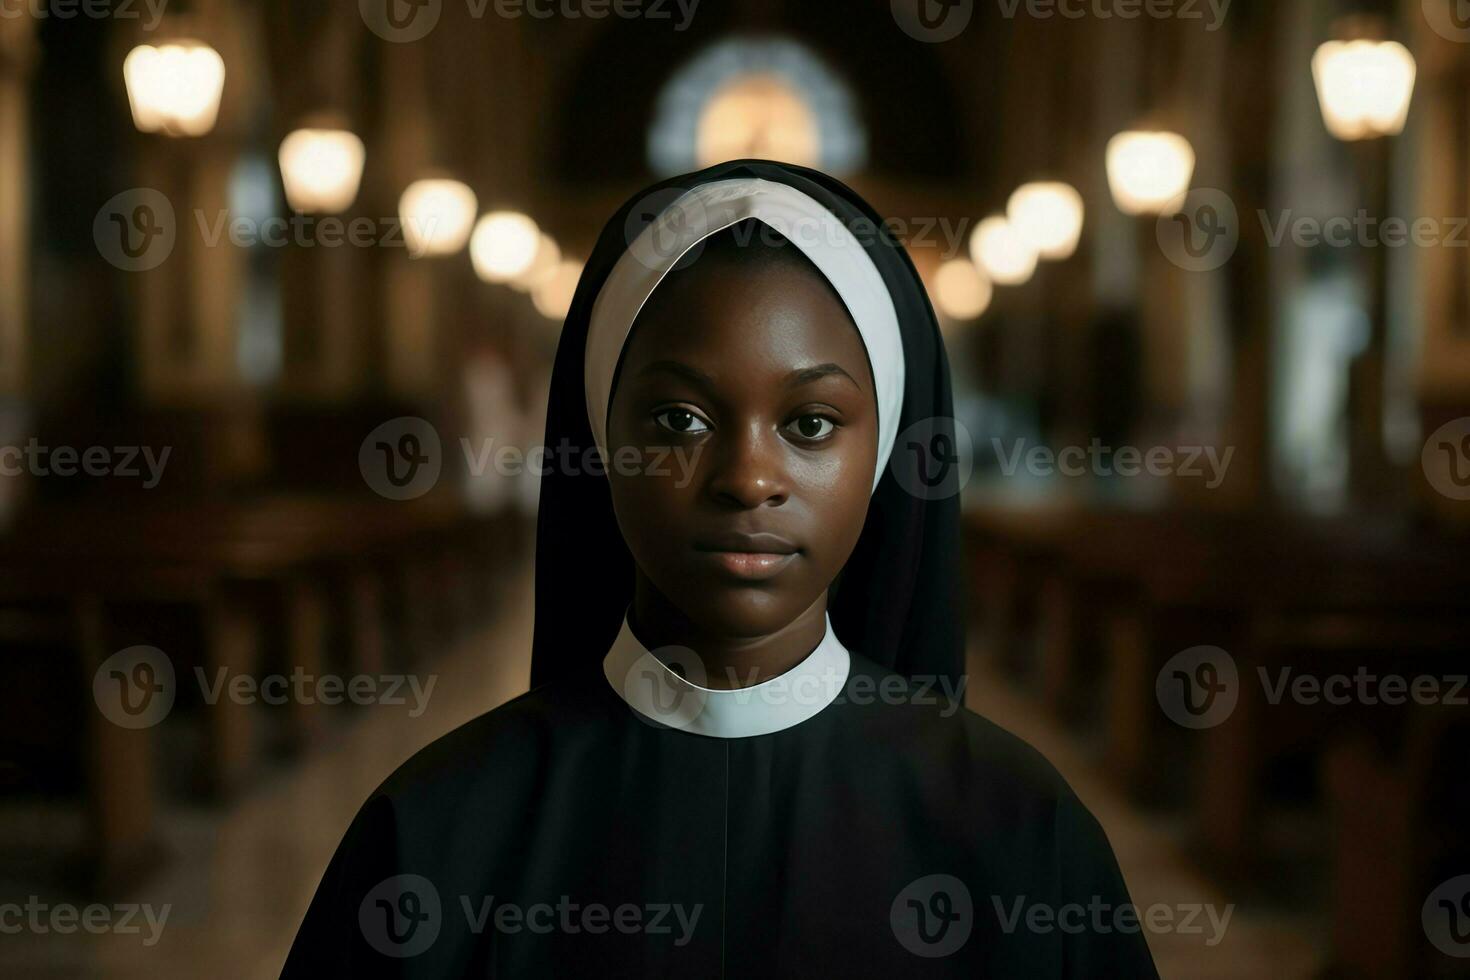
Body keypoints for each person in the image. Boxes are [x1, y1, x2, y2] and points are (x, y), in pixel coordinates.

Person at [281, 159, 1160, 978]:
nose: (747, 478)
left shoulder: (1023, 837)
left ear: (886, 447)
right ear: (600, 434)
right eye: (679, 420)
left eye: (811, 423)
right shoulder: (433, 835)